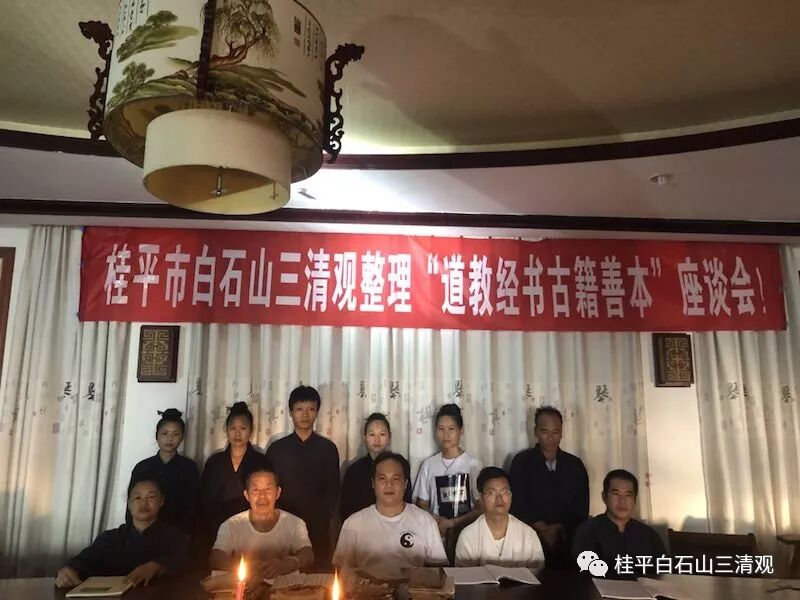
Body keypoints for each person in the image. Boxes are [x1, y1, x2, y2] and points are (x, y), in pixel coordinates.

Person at [55, 479, 189, 589]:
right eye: (137, 497)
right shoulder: (110, 538)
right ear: (129, 503)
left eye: (151, 497)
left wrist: (157, 566)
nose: (144, 503)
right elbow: (84, 559)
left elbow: (186, 560)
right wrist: (68, 570)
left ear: (162, 501)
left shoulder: (176, 536)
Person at [334, 452, 447, 580]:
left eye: (396, 479)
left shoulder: (425, 521)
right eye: (382, 478)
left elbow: (438, 571)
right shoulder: (353, 523)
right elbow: (341, 572)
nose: (389, 485)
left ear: (405, 483)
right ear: (373, 483)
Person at [266, 386, 340, 569]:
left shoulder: (328, 448)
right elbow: (269, 488)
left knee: (317, 577)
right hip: (282, 524)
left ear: (317, 412)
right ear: (291, 412)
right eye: (299, 409)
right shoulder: (276, 449)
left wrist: (324, 518)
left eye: (311, 409)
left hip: (317, 527)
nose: (305, 415)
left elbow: (333, 491)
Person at [509, 405, 589, 567]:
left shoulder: (574, 465)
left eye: (555, 432)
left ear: (562, 432)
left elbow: (581, 506)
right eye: (545, 432)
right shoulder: (521, 462)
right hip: (528, 537)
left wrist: (558, 528)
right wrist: (539, 526)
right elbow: (516, 501)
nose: (550, 438)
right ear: (536, 432)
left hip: (566, 540)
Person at [210, 466, 313, 579]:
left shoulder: (295, 523)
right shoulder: (231, 525)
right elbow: (216, 557)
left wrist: (287, 563)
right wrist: (244, 566)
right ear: (247, 495)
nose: (262, 495)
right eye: (255, 490)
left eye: (268, 489)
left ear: (278, 493)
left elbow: (307, 554)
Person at [199, 402, 271, 562]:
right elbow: (204, 501)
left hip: (252, 529)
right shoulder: (214, 462)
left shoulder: (261, 461)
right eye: (233, 428)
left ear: (251, 430)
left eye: (243, 428)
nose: (237, 433)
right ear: (226, 430)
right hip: (216, 529)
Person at [413, 404, 482, 560]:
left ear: (461, 430)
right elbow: (421, 504)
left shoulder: (473, 465)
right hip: (435, 536)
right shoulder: (429, 465)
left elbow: (481, 508)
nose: (446, 434)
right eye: (441, 429)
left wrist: (452, 523)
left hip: (467, 537)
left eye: (451, 429)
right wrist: (436, 521)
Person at [572, 469, 666, 579]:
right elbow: (581, 574)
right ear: (604, 497)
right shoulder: (587, 531)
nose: (622, 501)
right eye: (616, 494)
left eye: (628, 495)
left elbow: (664, 572)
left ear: (635, 500)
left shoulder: (649, 535)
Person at [455, 467, 544, 569]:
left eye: (504, 492)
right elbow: (464, 576)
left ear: (511, 496)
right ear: (481, 499)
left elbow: (538, 574)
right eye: (491, 493)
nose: (499, 498)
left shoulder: (528, 535)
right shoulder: (468, 536)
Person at [128, 409, 199, 534]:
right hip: (144, 531)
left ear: (182, 437)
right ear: (157, 436)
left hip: (178, 533)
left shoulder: (189, 468)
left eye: (175, 434)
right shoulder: (142, 467)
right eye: (165, 433)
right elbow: (132, 503)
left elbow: (193, 506)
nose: (170, 439)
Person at [340, 413, 411, 522]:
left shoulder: (400, 466)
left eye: (382, 434)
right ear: (364, 438)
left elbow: (407, 503)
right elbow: (346, 509)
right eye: (372, 434)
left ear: (389, 437)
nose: (377, 439)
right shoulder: (354, 471)